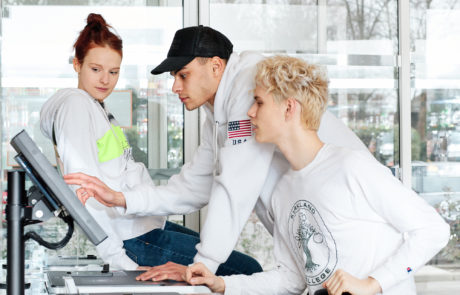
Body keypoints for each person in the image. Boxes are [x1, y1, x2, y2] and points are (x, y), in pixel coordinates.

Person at [64, 25, 368, 281]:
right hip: (312, 236)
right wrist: (124, 199)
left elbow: (234, 186)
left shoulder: (248, 89)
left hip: (347, 224)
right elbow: (192, 187)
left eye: (183, 75)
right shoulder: (219, 117)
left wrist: (204, 266)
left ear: (216, 66)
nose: (175, 87)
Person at [183, 56, 450, 295]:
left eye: (259, 102)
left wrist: (372, 283)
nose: (250, 112)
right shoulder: (282, 191)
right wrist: (224, 284)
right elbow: (291, 280)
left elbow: (433, 231)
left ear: (289, 108)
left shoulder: (351, 167)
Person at [40, 15, 260, 274]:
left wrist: (125, 199)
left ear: (216, 66)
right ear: (77, 64)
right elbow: (83, 190)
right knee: (248, 271)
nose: (105, 80)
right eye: (95, 69)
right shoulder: (75, 105)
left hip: (144, 225)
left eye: (113, 72)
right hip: (131, 236)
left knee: (242, 268)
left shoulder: (98, 109)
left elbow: (195, 190)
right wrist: (115, 257)